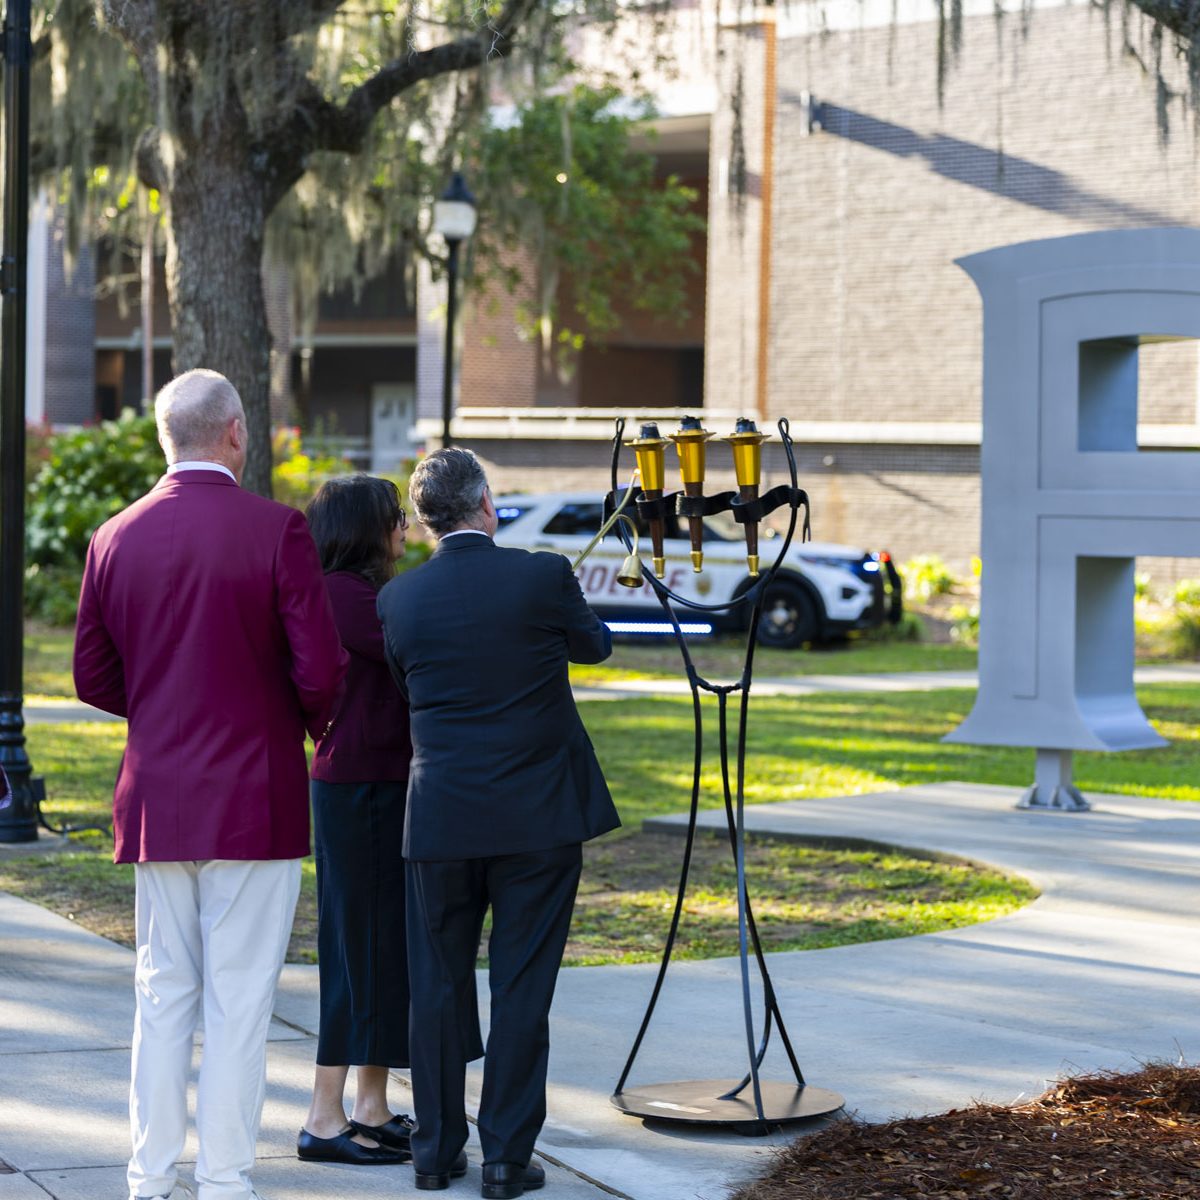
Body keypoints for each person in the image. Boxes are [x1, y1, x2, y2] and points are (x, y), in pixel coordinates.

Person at [73, 369, 347, 1200]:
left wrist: (160, 709)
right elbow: (321, 669)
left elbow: (92, 674)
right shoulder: (277, 530)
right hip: (254, 795)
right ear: (235, 433)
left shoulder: (113, 536)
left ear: (166, 438)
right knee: (239, 1000)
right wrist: (293, 720)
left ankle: (148, 1176)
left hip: (159, 796)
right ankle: (224, 1179)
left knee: (162, 994)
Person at [377, 447, 620, 1200]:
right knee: (522, 987)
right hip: (538, 820)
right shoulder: (542, 576)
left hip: (441, 817)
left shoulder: (399, 601)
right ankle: (507, 1159)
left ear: (425, 522)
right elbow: (596, 645)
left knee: (438, 988)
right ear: (486, 503)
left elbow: (401, 684)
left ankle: (435, 1150)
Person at [297, 475, 415, 1166]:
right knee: (356, 950)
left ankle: (370, 1106)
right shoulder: (344, 595)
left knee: (378, 949)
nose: (404, 527)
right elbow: (414, 655)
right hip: (360, 789)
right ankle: (322, 1115)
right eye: (395, 518)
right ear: (364, 528)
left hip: (375, 783)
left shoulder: (364, 595)